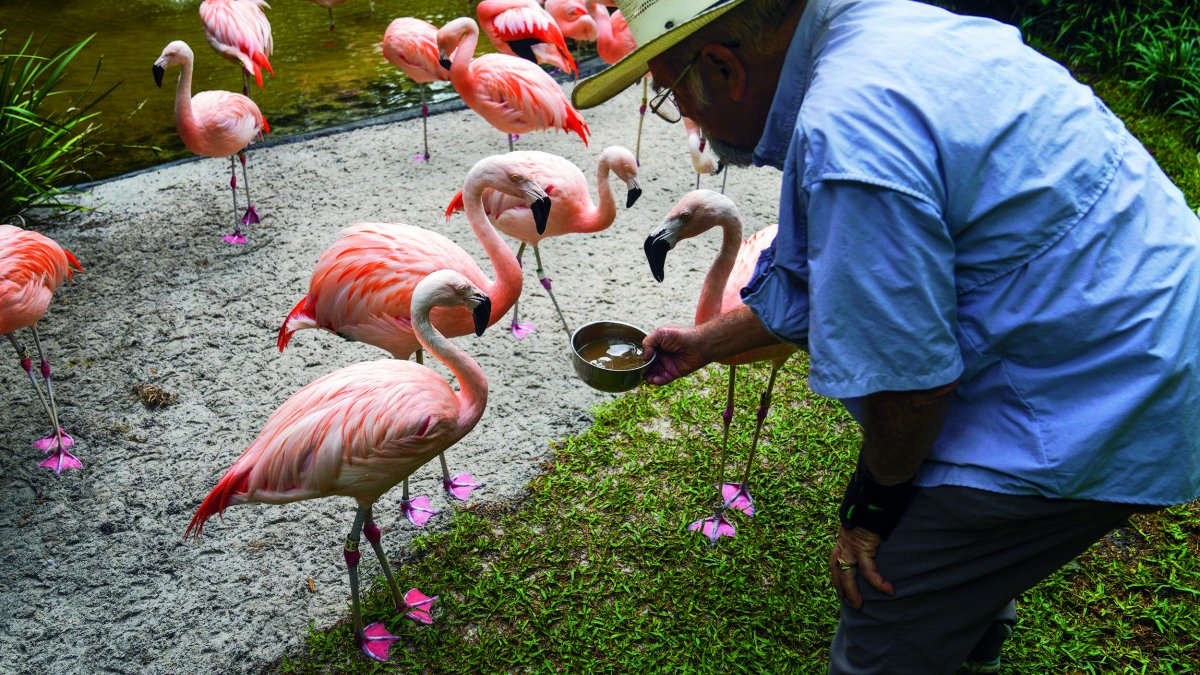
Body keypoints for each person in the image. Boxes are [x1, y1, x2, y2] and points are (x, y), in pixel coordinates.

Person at [572, 0, 1200, 673]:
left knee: (883, 614)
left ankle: (946, 624)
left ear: (724, 67)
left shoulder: (848, 135)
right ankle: (973, 624)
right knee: (948, 550)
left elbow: (913, 389)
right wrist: (706, 342)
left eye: (672, 95)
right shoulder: (884, 23)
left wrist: (868, 512)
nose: (685, 120)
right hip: (1143, 307)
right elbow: (836, 272)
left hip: (1111, 386)